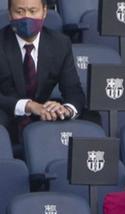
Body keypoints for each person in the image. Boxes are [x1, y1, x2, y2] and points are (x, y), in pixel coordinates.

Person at [0, 0, 86, 144]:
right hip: (7, 113)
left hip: (43, 114)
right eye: (19, 12)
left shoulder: (60, 43)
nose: (27, 17)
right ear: (9, 14)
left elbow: (73, 91)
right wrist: (28, 105)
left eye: (33, 11)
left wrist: (65, 110)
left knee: (92, 118)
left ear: (44, 12)